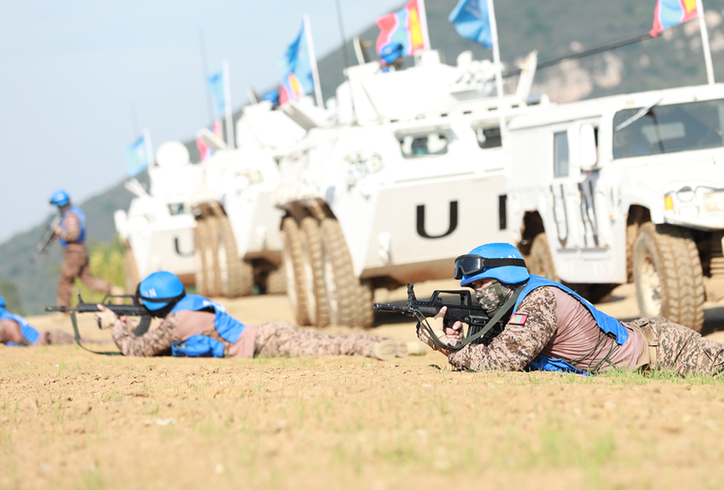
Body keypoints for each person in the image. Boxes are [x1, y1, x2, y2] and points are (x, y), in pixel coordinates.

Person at [417, 242, 724, 383]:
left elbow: (502, 362)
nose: (476, 294)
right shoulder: (521, 300)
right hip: (641, 337)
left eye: (480, 287)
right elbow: (506, 347)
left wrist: (448, 347)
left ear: (505, 280)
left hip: (665, 352)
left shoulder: (537, 302)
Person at [98, 271, 420, 360]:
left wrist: (115, 326)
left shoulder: (177, 321)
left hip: (266, 343)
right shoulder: (191, 303)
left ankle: (379, 349)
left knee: (331, 347)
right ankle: (397, 345)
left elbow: (137, 349)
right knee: (330, 341)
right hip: (266, 333)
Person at [49, 190, 124, 308]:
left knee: (65, 281)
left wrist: (60, 233)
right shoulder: (74, 213)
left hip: (74, 253)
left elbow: (73, 234)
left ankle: (64, 309)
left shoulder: (70, 215)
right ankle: (114, 290)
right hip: (81, 251)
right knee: (88, 280)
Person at [0, 295, 76, 347]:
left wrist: (31, 347)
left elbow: (18, 339)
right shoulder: (8, 316)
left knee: (78, 342)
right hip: (45, 339)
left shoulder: (7, 320)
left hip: (47, 340)